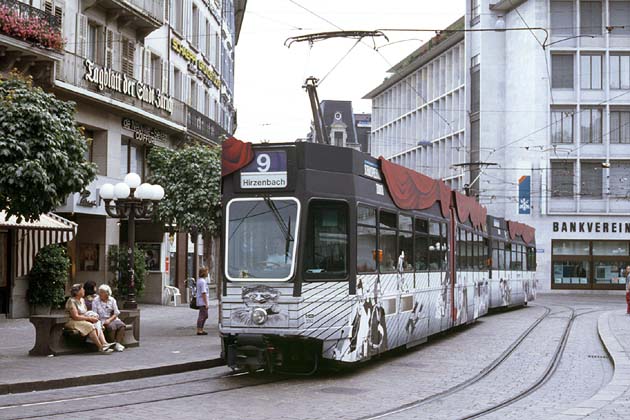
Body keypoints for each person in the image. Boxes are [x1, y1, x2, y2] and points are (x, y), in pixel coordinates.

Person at [65, 284, 113, 353]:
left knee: (97, 322)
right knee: (90, 326)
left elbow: (85, 312)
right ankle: (100, 347)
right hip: (73, 321)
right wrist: (89, 319)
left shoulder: (82, 300)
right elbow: (75, 316)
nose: (84, 291)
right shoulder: (71, 301)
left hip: (82, 319)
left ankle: (104, 343)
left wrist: (92, 316)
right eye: (82, 289)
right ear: (77, 292)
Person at [92, 284, 126, 352]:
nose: (100, 294)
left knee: (122, 325)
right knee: (111, 327)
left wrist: (110, 319)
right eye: (100, 292)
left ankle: (118, 344)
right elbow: (94, 313)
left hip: (112, 318)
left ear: (107, 293)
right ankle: (113, 343)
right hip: (101, 319)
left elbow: (116, 312)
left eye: (102, 292)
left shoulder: (112, 300)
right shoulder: (96, 300)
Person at [196, 267, 210, 335]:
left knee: (204, 315)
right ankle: (199, 330)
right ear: (204, 273)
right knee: (203, 315)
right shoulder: (203, 281)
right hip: (202, 301)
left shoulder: (200, 280)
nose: (208, 273)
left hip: (201, 300)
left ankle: (200, 329)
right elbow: (203, 292)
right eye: (207, 272)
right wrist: (206, 303)